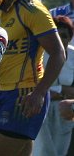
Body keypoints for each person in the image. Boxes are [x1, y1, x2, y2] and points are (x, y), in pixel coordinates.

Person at [0, 0, 66, 156]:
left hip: (25, 94)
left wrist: (40, 92)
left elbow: (58, 53)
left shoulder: (33, 10)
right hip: (4, 93)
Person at [32, 15, 74, 156]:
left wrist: (59, 92)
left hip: (65, 111)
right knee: (43, 150)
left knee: (61, 151)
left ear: (70, 38)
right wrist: (62, 90)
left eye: (65, 36)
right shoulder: (38, 53)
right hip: (40, 108)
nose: (61, 39)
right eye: (57, 35)